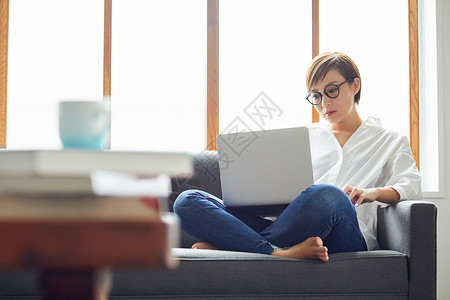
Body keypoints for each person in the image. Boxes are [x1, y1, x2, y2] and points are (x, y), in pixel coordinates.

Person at [173, 52, 422, 262]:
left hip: (345, 233)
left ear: (354, 85)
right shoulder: (304, 137)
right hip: (292, 228)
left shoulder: (389, 139)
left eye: (332, 90)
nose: (324, 103)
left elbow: (410, 184)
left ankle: (241, 247)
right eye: (316, 96)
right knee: (187, 201)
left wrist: (372, 193)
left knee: (329, 194)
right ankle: (276, 252)